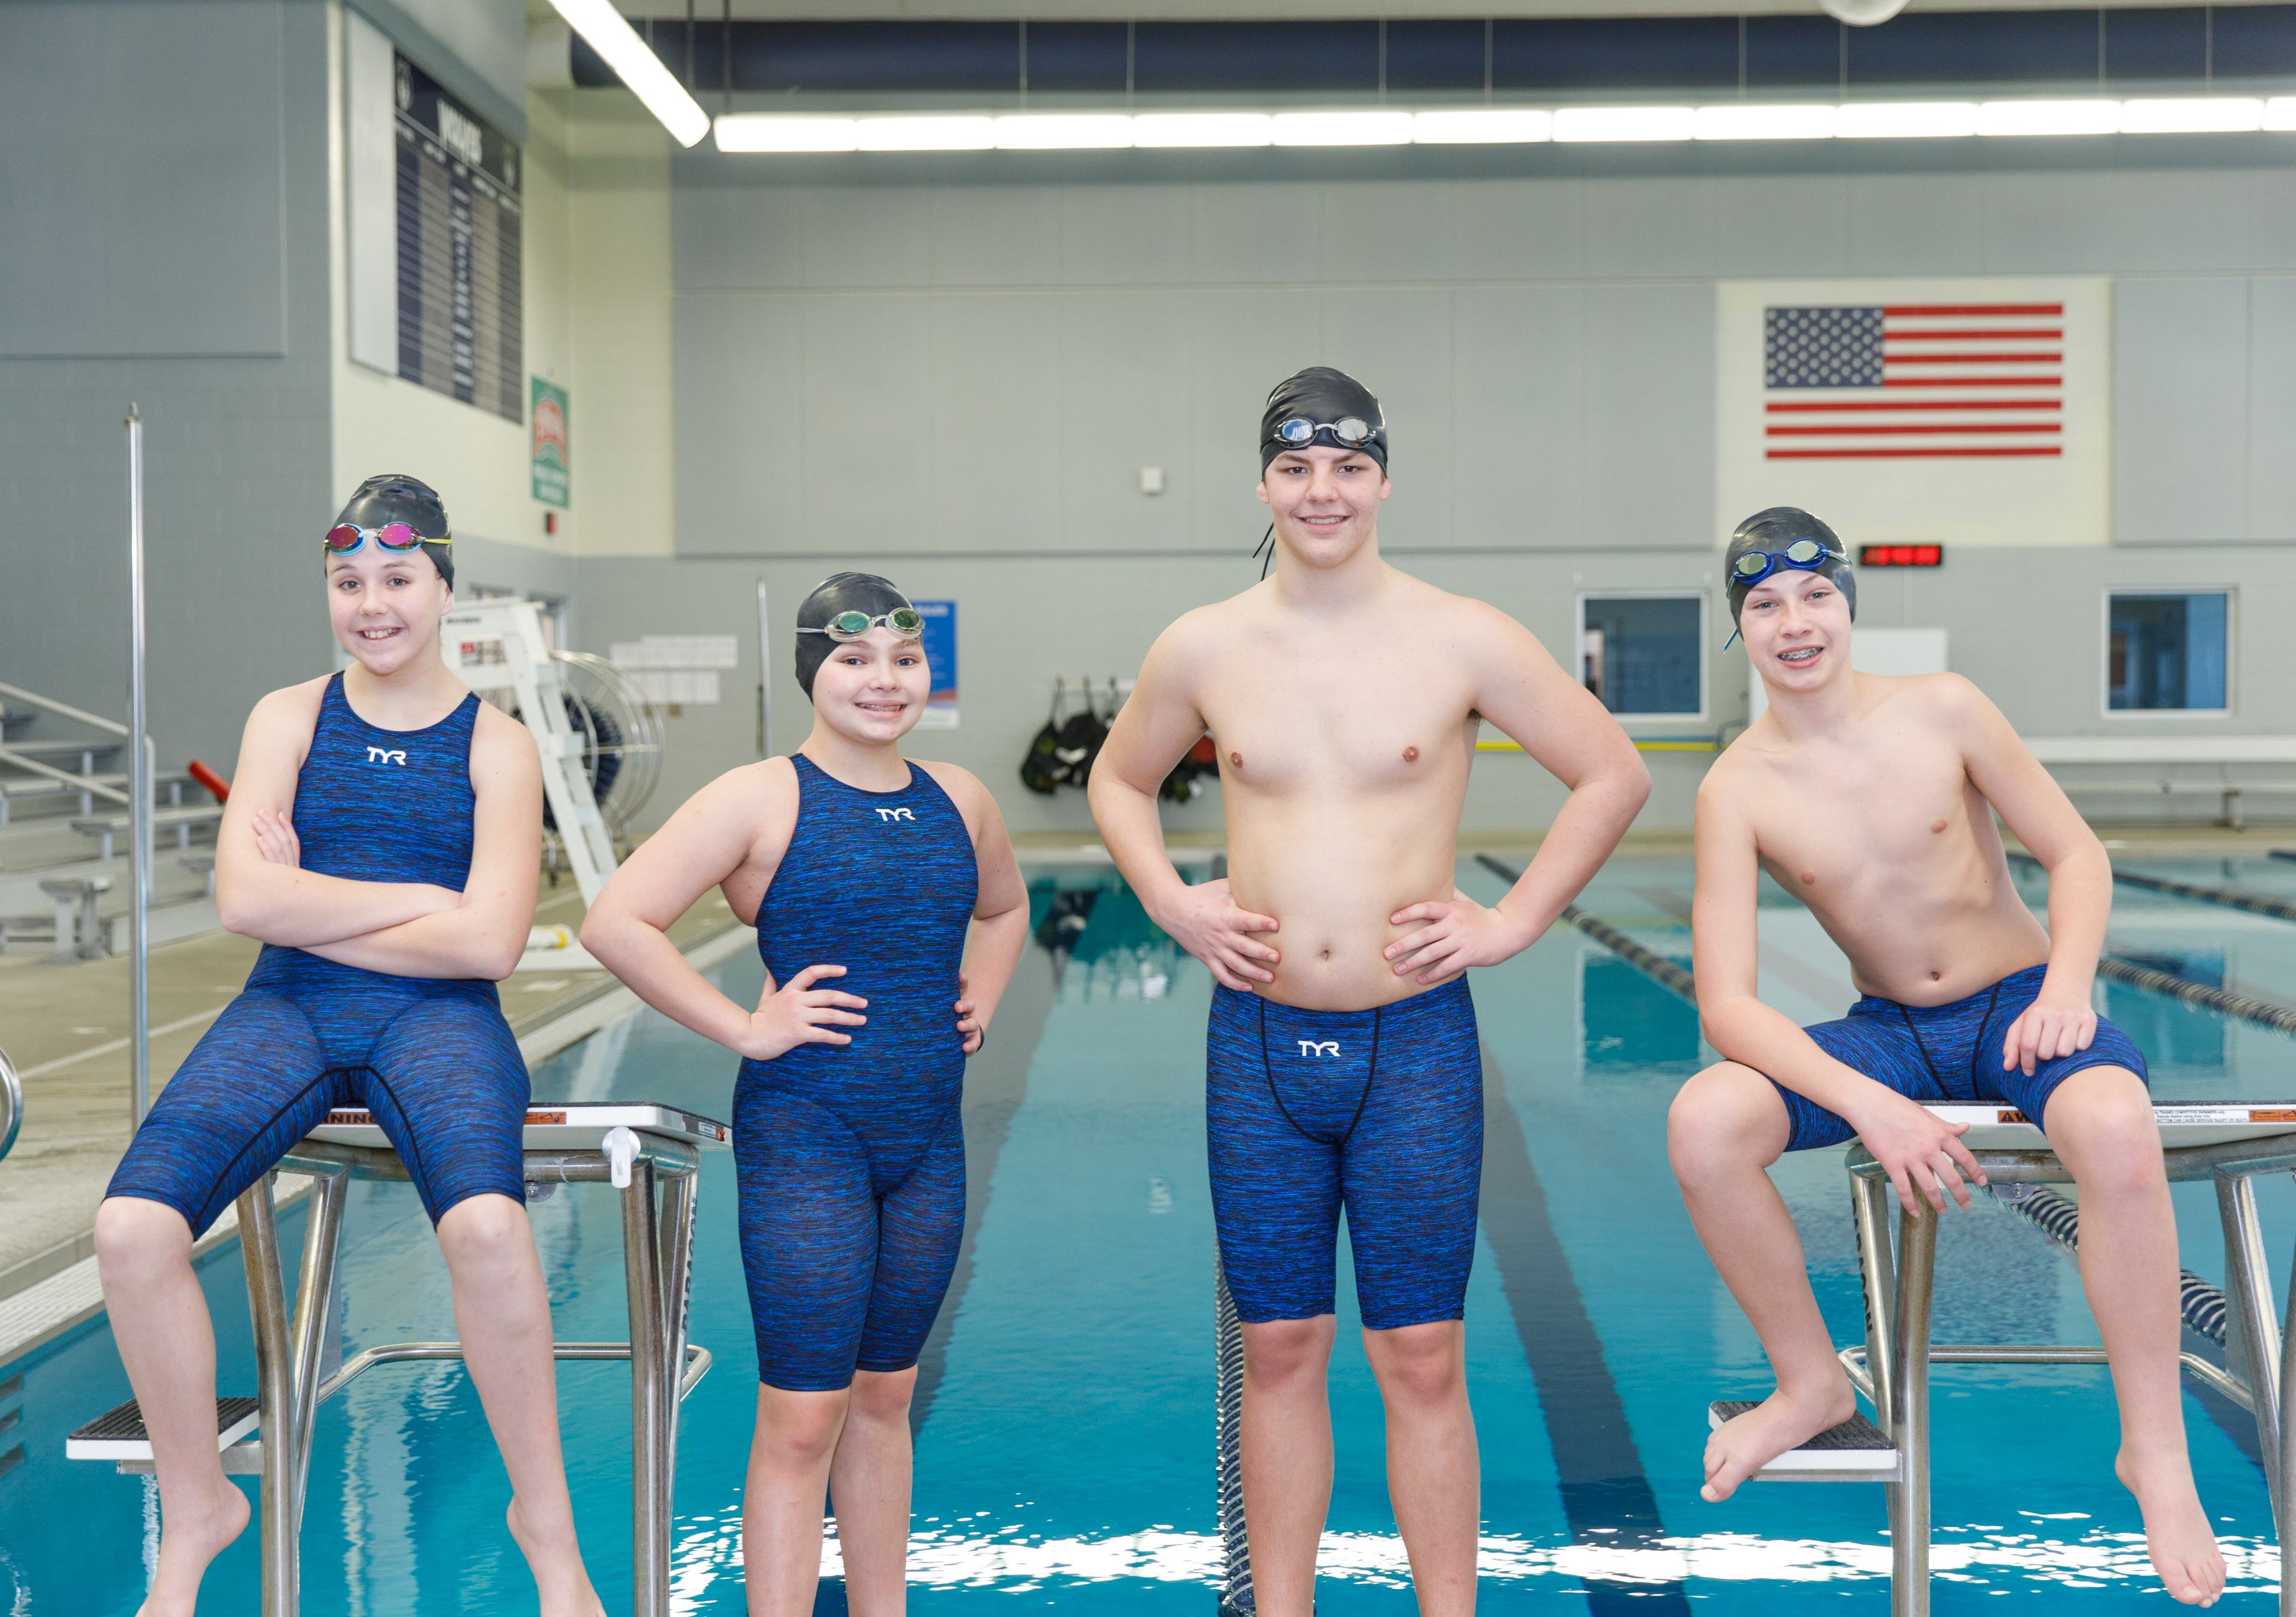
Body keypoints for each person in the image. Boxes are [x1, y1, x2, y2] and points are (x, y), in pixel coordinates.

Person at [1088, 368, 1650, 1616]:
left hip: (1416, 1042)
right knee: (1278, 1350)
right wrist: (1175, 903)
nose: (1322, 491)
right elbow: (1117, 783)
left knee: (1420, 1352)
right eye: (1296, 468)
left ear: (1384, 478)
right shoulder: (1206, 644)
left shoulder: (1463, 635)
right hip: (1258, 1037)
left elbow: (1610, 773)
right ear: (1264, 484)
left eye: (1347, 467)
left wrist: (1510, 919)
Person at [1668, 507, 2225, 1606]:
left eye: (1814, 595)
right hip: (1889, 1031)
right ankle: (1810, 1380)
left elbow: (2075, 852)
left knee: (2114, 1128)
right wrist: (1868, 1101)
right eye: (1765, 604)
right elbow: (1729, 1003)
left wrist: (2069, 988)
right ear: (1742, 627)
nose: (1795, 622)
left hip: (2020, 1004)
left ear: (1847, 602)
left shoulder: (1944, 709)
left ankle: (2155, 1445)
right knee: (1705, 1120)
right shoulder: (1736, 788)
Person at [94, 475, 605, 1617]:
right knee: (130, 1230)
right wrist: (422, 893)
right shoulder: (288, 716)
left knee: (484, 1223)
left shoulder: (501, 746)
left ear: (444, 586)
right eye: (347, 583)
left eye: (396, 579)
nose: (372, 604)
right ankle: (199, 1503)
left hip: (442, 1023)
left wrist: (309, 891)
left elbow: (495, 941)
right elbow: (241, 903)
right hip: (286, 1008)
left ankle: (547, 1524)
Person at [580, 573, 1028, 1617]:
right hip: (807, 1133)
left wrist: (983, 997)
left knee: (886, 1397)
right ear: (810, 670)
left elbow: (1004, 911)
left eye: (905, 660)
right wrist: (745, 1025)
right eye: (855, 658)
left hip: (926, 1141)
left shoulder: (960, 796)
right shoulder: (759, 796)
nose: (884, 680)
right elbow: (618, 920)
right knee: (799, 1414)